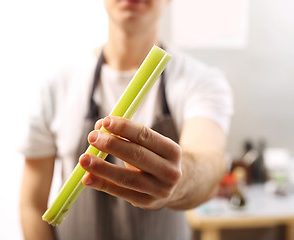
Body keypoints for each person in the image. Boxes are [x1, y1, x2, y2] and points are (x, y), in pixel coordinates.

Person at [19, 0, 233, 239]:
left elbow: (209, 162)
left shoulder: (200, 81)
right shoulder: (57, 85)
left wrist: (179, 180)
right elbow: (31, 205)